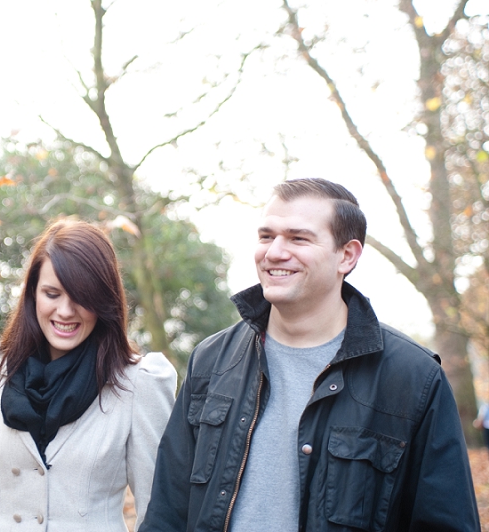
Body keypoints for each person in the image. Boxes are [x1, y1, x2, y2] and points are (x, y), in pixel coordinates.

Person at [140, 178, 479, 531]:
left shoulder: (413, 378)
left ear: (346, 256)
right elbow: (168, 511)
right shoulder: (211, 361)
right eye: (267, 236)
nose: (274, 252)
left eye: (298, 238)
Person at [0, 219, 177, 532]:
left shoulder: (140, 382)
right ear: (32, 294)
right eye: (52, 294)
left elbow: (158, 511)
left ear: (104, 301)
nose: (65, 311)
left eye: (81, 297)